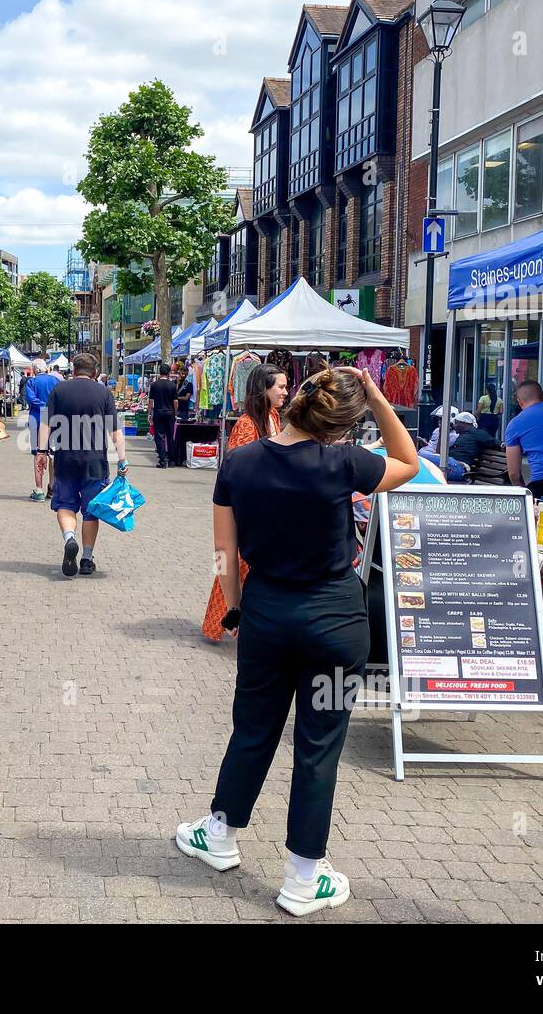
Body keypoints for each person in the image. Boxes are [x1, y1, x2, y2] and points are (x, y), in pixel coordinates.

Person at [177, 367, 419, 916]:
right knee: (318, 747)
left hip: (267, 611)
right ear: (338, 426)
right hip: (335, 618)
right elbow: (410, 462)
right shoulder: (343, 463)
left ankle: (219, 835)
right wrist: (378, 395)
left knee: (254, 729)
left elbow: (223, 552)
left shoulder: (238, 462)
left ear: (293, 405)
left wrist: (236, 605)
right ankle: (304, 876)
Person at [201, 364, 288, 642]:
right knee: (228, 566)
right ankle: (225, 621)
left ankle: (226, 622)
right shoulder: (247, 424)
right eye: (281, 387)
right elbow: (237, 473)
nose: (286, 392)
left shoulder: (274, 417)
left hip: (265, 512)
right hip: (245, 513)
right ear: (263, 389)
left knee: (235, 568)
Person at [37, 353, 129, 578]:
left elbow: (45, 424)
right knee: (91, 511)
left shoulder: (59, 390)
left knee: (65, 505)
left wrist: (41, 452)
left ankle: (70, 538)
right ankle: (87, 559)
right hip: (95, 462)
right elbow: (115, 430)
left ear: (73, 370)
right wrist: (123, 459)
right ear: (95, 372)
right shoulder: (103, 392)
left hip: (65, 459)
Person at [24, 359, 61, 501]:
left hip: (37, 419)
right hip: (55, 420)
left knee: (38, 453)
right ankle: (52, 487)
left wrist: (43, 406)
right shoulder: (55, 381)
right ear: (46, 369)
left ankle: (39, 490)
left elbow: (31, 399)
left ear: (33, 370)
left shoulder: (31, 382)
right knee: (53, 454)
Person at [148, 363, 178, 468]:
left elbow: (151, 401)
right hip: (170, 413)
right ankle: (172, 460)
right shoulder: (173, 385)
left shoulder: (154, 385)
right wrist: (175, 413)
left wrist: (149, 413)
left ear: (159, 372)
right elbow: (175, 402)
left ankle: (162, 460)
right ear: (169, 372)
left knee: (159, 437)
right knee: (170, 436)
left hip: (158, 412)